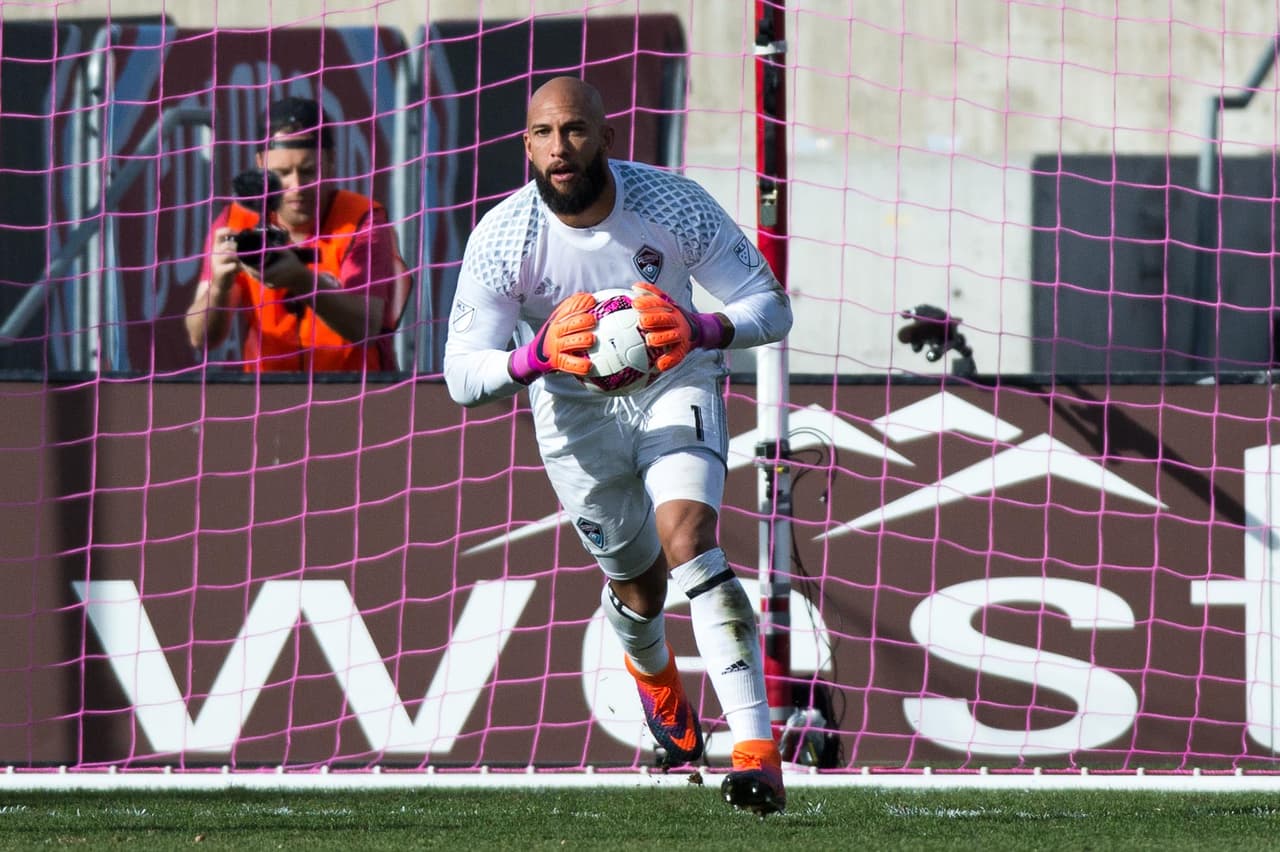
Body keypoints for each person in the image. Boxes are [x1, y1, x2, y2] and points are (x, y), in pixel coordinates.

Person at [443, 77, 794, 816]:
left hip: (677, 382)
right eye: (543, 134)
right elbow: (461, 374)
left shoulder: (672, 203)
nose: (559, 149)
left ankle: (757, 753)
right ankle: (658, 683)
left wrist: (703, 329)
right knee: (639, 588)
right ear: (527, 146)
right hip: (575, 419)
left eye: (573, 131)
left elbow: (769, 306)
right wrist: (533, 356)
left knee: (690, 539)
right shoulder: (505, 237)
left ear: (607, 137)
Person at [185, 95, 408, 372]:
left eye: (307, 171)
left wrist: (303, 282)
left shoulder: (363, 221)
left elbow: (366, 326)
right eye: (281, 173)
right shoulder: (236, 221)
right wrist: (219, 287)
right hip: (266, 397)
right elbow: (201, 338)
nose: (296, 186)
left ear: (330, 161)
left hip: (353, 395)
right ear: (260, 165)